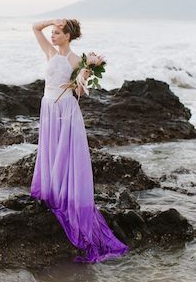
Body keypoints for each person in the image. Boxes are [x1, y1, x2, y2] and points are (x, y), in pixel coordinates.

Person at [29, 18, 129, 263]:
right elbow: (35, 27)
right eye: (52, 32)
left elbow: (81, 90)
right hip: (49, 106)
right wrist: (53, 20)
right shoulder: (50, 52)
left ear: (68, 36)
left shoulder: (77, 61)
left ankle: (65, 196)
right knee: (51, 149)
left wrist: (80, 80)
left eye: (58, 32)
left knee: (65, 151)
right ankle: (52, 190)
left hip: (65, 107)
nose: (53, 35)